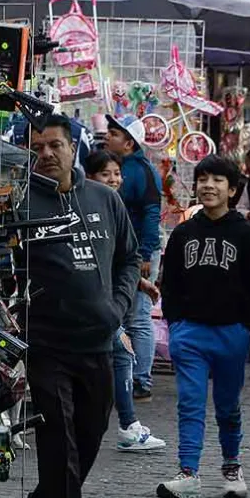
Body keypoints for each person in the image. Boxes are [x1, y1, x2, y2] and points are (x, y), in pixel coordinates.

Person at [19, 115, 140, 498]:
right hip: (45, 344)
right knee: (60, 440)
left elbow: (129, 258)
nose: (46, 154)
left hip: (99, 343)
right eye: (38, 148)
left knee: (91, 434)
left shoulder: (106, 199)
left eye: (54, 145)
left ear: (73, 148)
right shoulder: (21, 204)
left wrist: (119, 305)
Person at [154, 155, 250, 498]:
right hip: (190, 333)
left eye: (218, 180)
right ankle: (188, 471)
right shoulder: (184, 233)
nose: (209, 185)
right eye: (203, 178)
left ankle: (231, 464)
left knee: (227, 405)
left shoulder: (247, 235)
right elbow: (169, 282)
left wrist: (247, 328)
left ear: (232, 189)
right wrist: (176, 324)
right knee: (190, 403)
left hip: (232, 333)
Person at [85, 149, 167, 452]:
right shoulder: (91, 206)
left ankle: (124, 424)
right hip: (91, 301)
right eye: (106, 174)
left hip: (106, 300)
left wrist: (140, 282)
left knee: (118, 354)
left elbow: (120, 257)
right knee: (120, 351)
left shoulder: (112, 204)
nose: (114, 180)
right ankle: (126, 426)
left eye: (117, 174)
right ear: (90, 176)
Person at [102, 114, 162, 402]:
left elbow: (152, 213)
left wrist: (146, 253)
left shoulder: (142, 171)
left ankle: (141, 380)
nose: (107, 136)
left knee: (138, 316)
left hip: (139, 253)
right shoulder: (122, 168)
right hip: (125, 252)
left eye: (113, 133)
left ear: (128, 142)